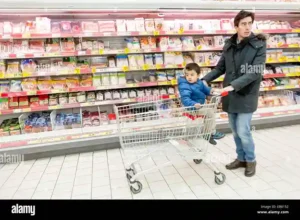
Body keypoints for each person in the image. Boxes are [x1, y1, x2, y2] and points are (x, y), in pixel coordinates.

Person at [201, 10, 267, 177]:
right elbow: (220, 67)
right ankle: (241, 158)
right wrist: (204, 79)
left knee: (243, 130)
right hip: (230, 94)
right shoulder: (229, 44)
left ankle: (251, 160)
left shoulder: (259, 45)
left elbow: (254, 72)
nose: (247, 27)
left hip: (246, 93)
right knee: (235, 130)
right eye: (243, 24)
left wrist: (233, 86)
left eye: (249, 23)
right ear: (236, 26)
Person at [178, 62, 222, 145]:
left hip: (198, 106)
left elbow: (205, 89)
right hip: (191, 108)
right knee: (209, 113)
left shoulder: (199, 82)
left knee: (208, 112)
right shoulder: (184, 85)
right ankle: (210, 133)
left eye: (192, 75)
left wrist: (211, 90)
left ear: (198, 75)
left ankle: (207, 132)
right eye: (187, 75)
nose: (189, 77)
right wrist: (193, 104)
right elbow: (185, 99)